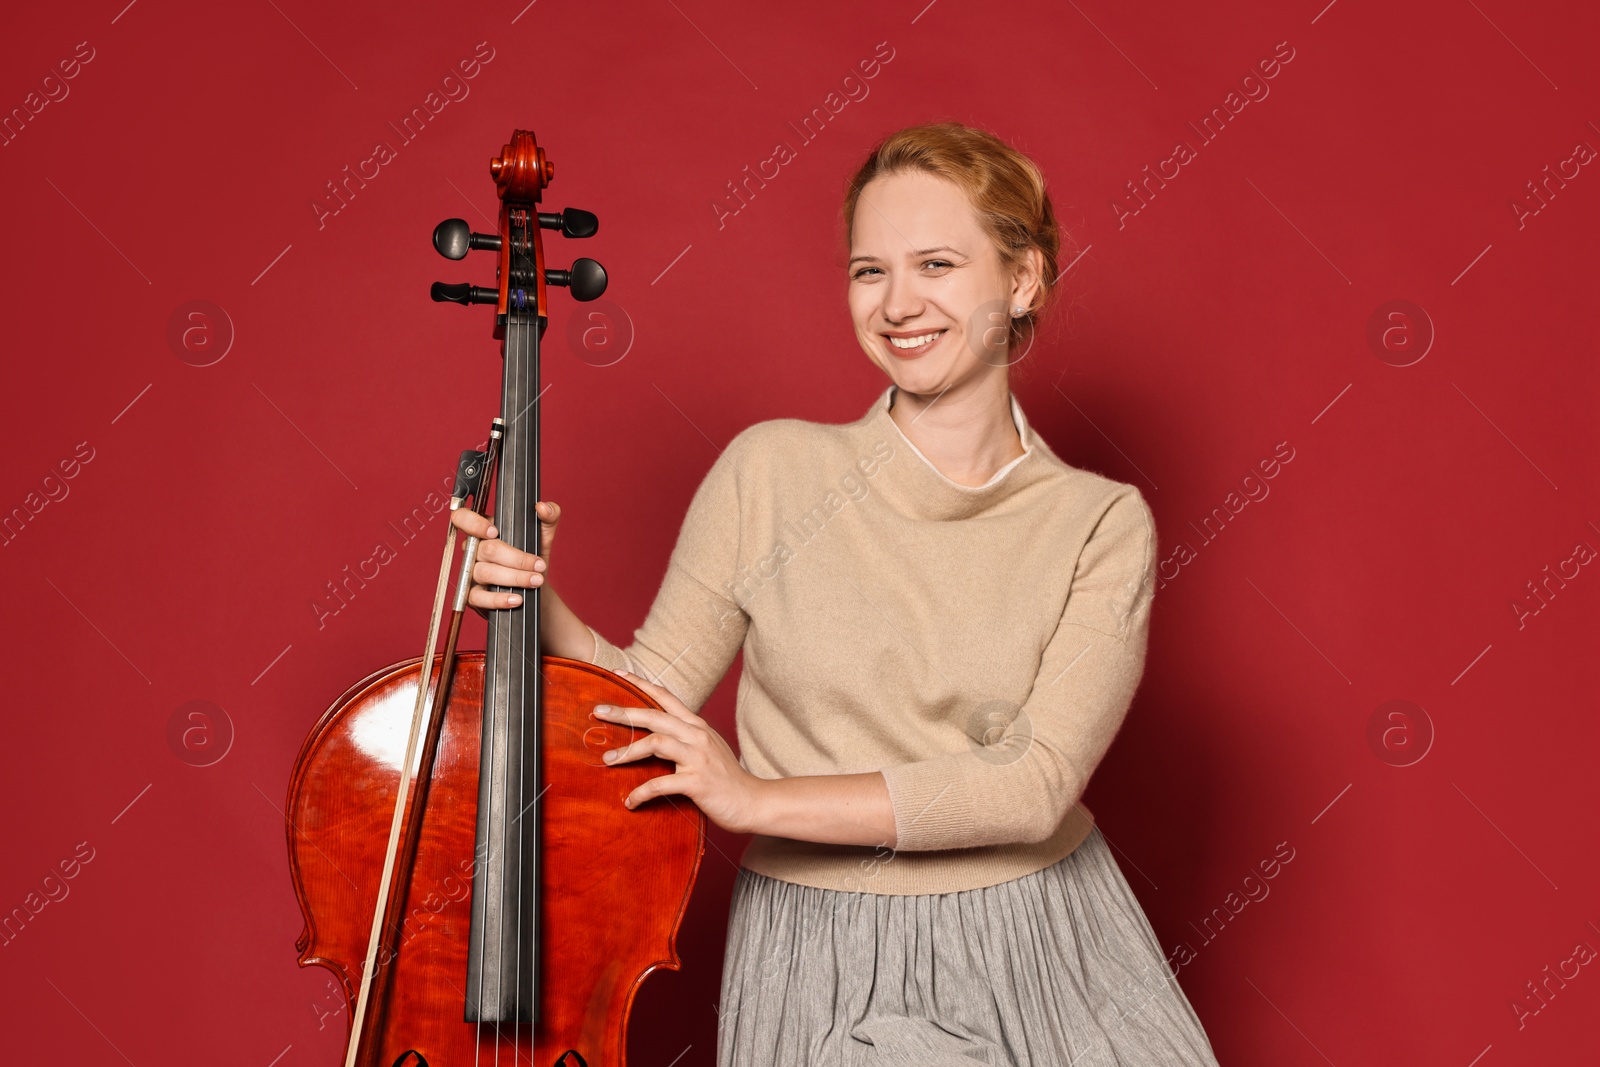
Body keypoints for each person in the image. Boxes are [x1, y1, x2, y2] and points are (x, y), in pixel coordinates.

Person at [450, 122, 1221, 1066]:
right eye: (869, 271)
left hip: (1051, 934)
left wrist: (754, 800)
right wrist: (533, 594)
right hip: (828, 945)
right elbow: (642, 711)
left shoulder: (1100, 521)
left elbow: (1031, 787)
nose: (899, 304)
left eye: (936, 263)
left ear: (1020, 280)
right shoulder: (771, 471)